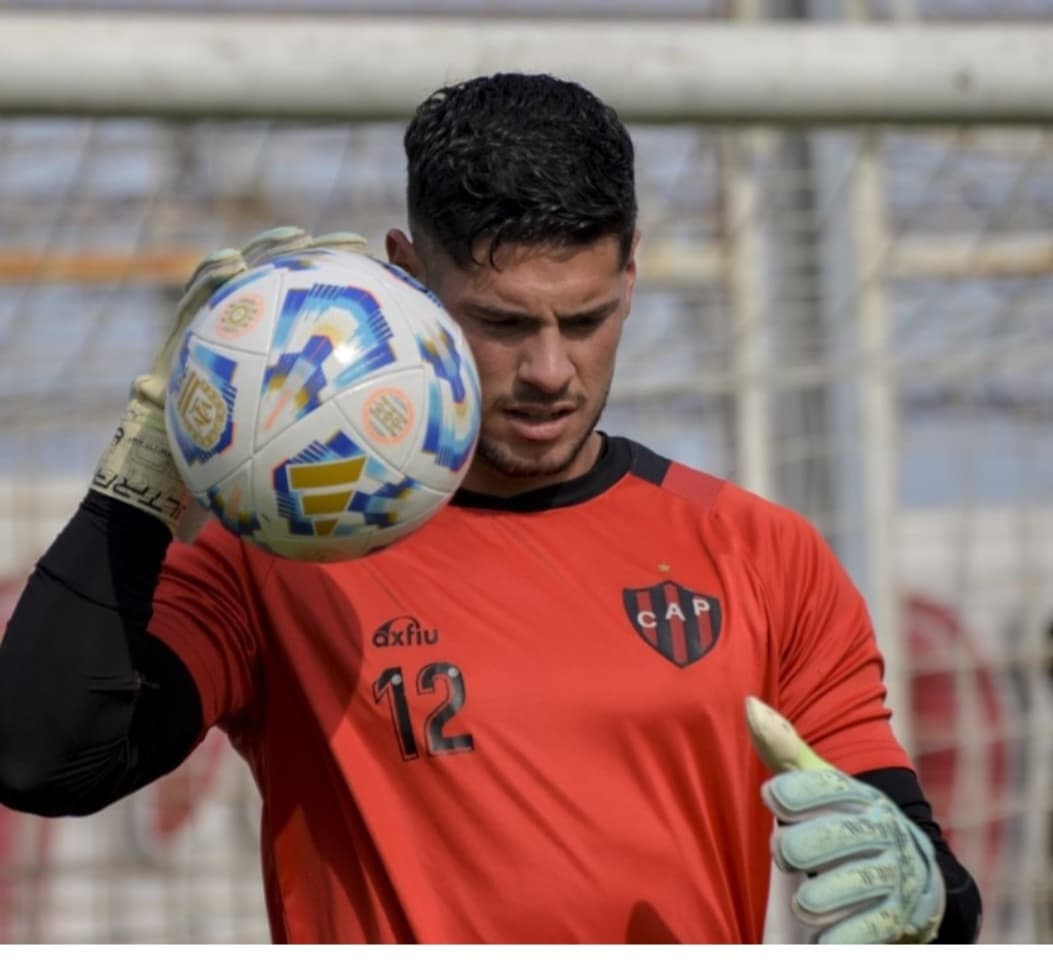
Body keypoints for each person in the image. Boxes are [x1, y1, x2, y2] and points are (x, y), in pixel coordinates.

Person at [0, 72, 980, 944]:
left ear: (631, 273)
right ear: (409, 276)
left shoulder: (761, 553)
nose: (551, 371)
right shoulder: (284, 552)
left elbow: (929, 887)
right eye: (503, 323)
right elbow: (41, 758)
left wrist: (918, 895)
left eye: (588, 318)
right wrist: (152, 459)